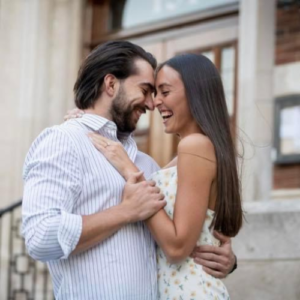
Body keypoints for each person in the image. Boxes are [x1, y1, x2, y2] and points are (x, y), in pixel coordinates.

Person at [22, 41, 237, 300]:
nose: (152, 104)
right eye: (147, 90)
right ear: (111, 84)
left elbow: (180, 234)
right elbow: (40, 236)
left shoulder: (145, 165)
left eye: (160, 92)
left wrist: (227, 259)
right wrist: (125, 212)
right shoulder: (64, 140)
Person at [83, 53, 243, 299]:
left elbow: (177, 247)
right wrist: (87, 117)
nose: (155, 102)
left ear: (195, 93)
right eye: (154, 93)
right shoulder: (193, 152)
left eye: (164, 92)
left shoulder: (195, 146)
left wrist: (129, 170)